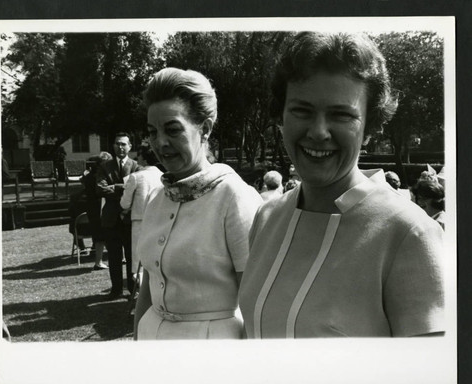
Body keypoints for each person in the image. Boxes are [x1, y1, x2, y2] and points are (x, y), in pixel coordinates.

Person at [239, 32, 445, 338]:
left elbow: (428, 378)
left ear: (370, 127)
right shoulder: (267, 217)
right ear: (281, 114)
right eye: (302, 110)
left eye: (341, 115)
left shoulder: (409, 233)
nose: (319, 131)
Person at [133, 67, 262, 340]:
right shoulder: (157, 197)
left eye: (173, 130)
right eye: (152, 132)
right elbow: (148, 285)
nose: (160, 142)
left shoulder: (234, 196)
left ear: (204, 129)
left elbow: (256, 303)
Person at [96, 133, 140, 299]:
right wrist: (125, 188)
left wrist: (114, 187)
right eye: (117, 144)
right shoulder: (104, 166)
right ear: (113, 146)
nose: (120, 147)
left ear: (129, 146)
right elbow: (100, 189)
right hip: (111, 218)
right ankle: (116, 290)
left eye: (123, 144)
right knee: (114, 257)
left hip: (129, 218)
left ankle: (132, 289)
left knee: (131, 256)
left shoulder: (136, 166)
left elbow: (137, 191)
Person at [120, 145, 163, 287]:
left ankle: (140, 291)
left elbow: (125, 203)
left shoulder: (136, 177)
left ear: (143, 158)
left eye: (139, 156)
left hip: (141, 222)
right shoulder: (162, 176)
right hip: (159, 221)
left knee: (139, 258)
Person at [81, 151, 113, 269]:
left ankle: (101, 261)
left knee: (100, 236)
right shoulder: (100, 176)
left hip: (92, 208)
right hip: (99, 207)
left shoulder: (89, 175)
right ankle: (99, 262)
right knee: (102, 235)